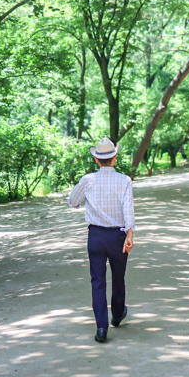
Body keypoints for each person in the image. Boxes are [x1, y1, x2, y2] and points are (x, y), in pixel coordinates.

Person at [68, 137, 136, 343]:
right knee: (118, 277)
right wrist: (130, 235)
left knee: (97, 281)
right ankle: (117, 314)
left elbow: (72, 202)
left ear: (97, 160)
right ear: (114, 158)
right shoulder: (124, 180)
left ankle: (101, 328)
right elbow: (128, 209)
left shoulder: (88, 180)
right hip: (118, 235)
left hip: (96, 236)